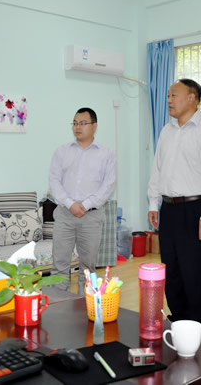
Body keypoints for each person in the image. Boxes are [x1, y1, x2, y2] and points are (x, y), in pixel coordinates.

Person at [147, 78, 201, 334]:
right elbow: (157, 169)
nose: (169, 100)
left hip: (195, 210)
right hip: (169, 209)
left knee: (197, 271)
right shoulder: (166, 131)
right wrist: (153, 202)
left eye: (174, 95)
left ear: (192, 98)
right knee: (172, 269)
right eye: (168, 95)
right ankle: (179, 319)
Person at [49, 107, 115, 295]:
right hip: (65, 214)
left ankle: (84, 306)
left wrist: (85, 205)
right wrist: (70, 204)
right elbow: (54, 181)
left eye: (83, 123)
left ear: (94, 126)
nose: (78, 127)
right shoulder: (62, 151)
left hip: (91, 217)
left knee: (88, 268)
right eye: (75, 123)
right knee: (59, 265)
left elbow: (108, 185)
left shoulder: (106, 153)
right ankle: (59, 305)